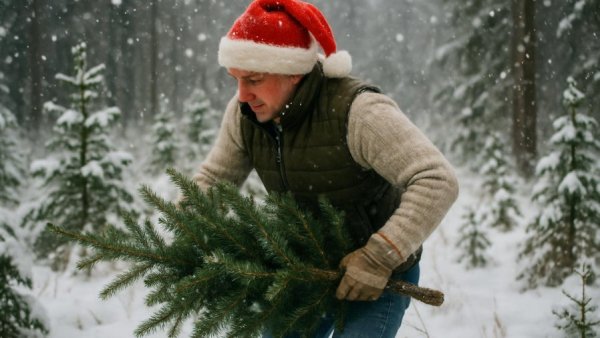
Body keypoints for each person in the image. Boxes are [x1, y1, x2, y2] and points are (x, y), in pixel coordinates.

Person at [191, 0, 459, 336]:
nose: (242, 94)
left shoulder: (358, 111)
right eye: (236, 79)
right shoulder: (244, 114)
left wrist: (378, 258)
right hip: (304, 269)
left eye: (254, 79)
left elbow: (437, 180)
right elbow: (213, 180)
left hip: (379, 275)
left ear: (293, 72)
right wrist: (182, 231)